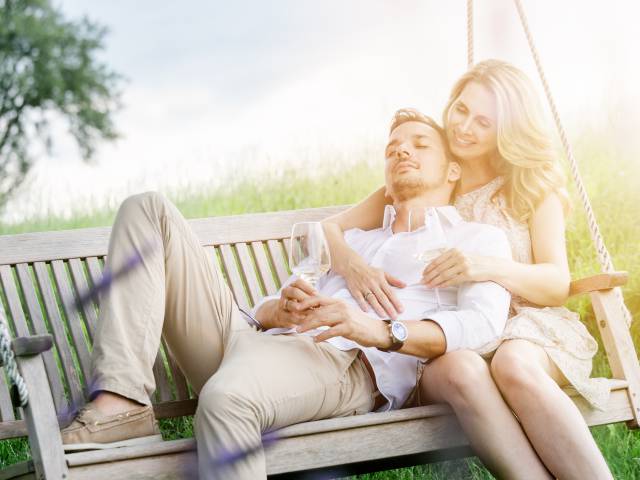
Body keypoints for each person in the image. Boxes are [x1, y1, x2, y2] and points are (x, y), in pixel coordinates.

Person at [61, 110, 511, 480]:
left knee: (228, 400)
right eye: (392, 148)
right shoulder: (356, 242)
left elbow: (481, 325)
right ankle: (121, 405)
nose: (401, 150)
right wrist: (278, 308)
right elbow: (270, 307)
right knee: (148, 209)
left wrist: (377, 329)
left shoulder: (476, 239)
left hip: (343, 362)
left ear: (453, 169)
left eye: (419, 143)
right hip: (259, 341)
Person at [322, 59, 613, 479]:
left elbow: (555, 283)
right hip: (452, 335)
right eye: (461, 110)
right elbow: (328, 229)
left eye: (484, 122)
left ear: (507, 130)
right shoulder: (429, 173)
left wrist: (485, 266)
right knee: (465, 368)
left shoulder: (529, 185)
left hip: (524, 326)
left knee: (511, 364)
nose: (464, 128)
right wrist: (354, 267)